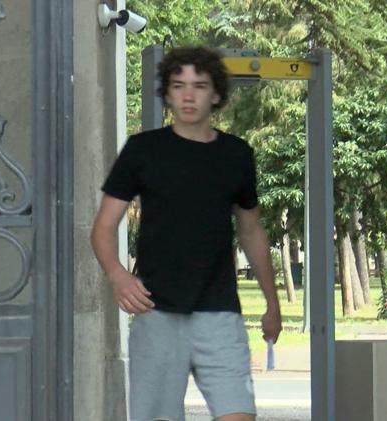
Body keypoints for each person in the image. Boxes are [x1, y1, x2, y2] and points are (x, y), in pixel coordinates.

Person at [91, 46, 282, 421]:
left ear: (216, 94)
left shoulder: (236, 155)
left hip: (220, 313)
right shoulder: (143, 150)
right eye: (179, 86)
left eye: (199, 85)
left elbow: (251, 231)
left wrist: (272, 303)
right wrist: (117, 275)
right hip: (156, 312)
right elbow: (103, 227)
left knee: (239, 414)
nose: (189, 95)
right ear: (168, 93)